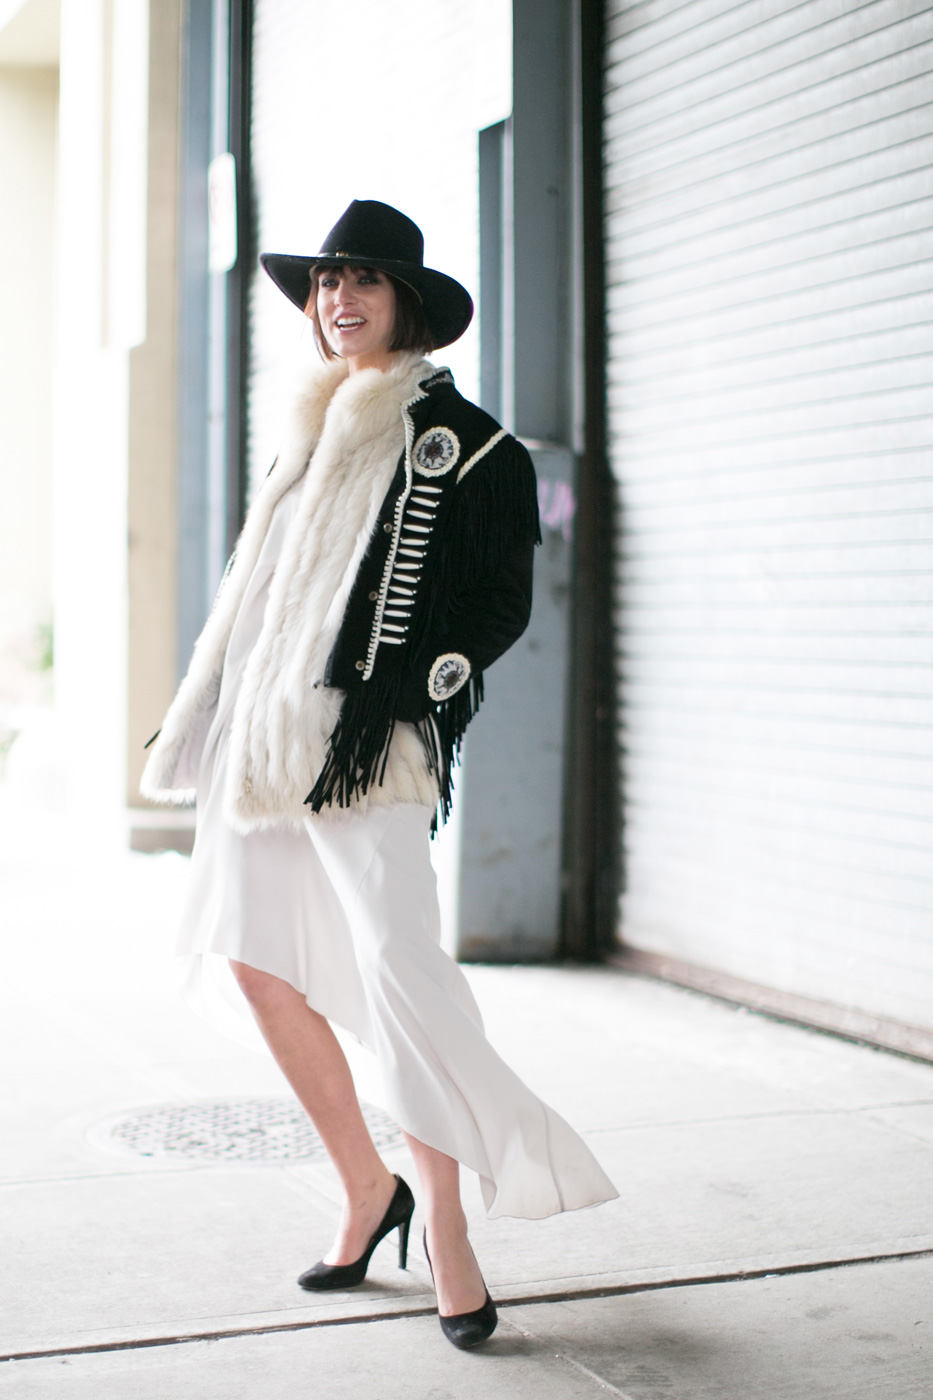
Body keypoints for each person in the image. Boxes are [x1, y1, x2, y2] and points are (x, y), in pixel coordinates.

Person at [142, 199, 617, 1350]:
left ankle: (447, 1226)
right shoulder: (305, 428)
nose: (337, 300)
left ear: (407, 300)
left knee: (403, 979)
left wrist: (400, 695)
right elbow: (259, 594)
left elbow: (498, 605)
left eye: (361, 280)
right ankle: (368, 1187)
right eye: (323, 284)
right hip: (259, 748)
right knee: (257, 963)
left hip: (366, 755)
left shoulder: (467, 443)